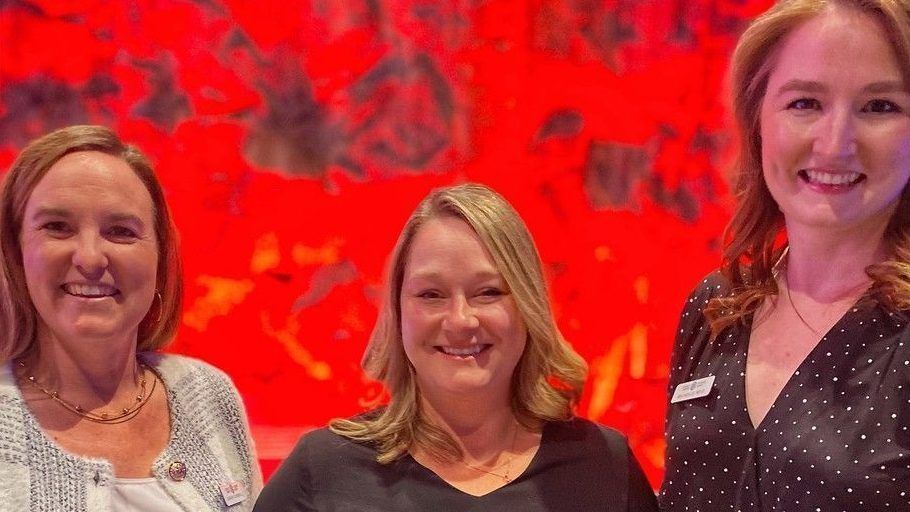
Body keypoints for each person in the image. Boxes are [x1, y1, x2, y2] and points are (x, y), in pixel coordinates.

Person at [254, 183, 658, 511]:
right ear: (397, 311)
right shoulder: (324, 470)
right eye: (431, 295)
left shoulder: (603, 464)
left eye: (488, 292)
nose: (461, 320)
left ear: (528, 304)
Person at [661, 1, 910, 510]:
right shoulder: (716, 305)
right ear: (757, 120)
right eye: (804, 104)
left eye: (880, 107)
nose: (835, 143)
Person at [0, 125, 262, 511]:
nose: (89, 258)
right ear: (15, 252)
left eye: (121, 231)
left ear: (159, 256)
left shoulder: (207, 393)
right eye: (57, 227)